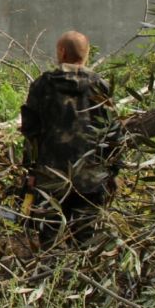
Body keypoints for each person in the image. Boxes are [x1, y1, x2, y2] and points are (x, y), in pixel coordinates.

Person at [19, 30, 117, 230]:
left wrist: (30, 171)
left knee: (48, 236)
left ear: (62, 52)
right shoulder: (100, 87)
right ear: (86, 53)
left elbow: (31, 132)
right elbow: (113, 133)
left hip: (50, 179)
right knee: (85, 239)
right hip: (91, 179)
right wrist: (112, 172)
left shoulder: (42, 85)